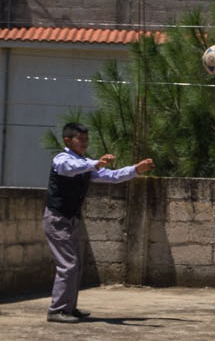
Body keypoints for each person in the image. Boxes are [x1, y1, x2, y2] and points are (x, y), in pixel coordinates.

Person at [45, 122, 152, 323]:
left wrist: (135, 170)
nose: (84, 143)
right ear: (68, 140)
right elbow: (70, 168)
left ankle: (69, 307)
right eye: (80, 139)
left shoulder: (85, 163)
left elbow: (110, 177)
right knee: (68, 265)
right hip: (57, 218)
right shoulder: (62, 159)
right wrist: (95, 163)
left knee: (76, 264)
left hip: (72, 218)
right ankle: (57, 310)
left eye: (86, 139)